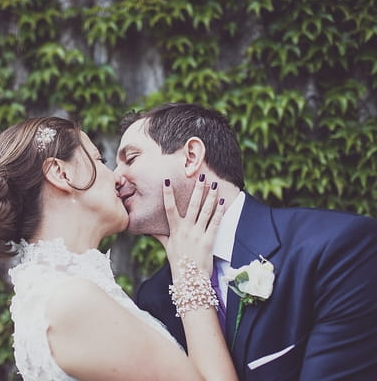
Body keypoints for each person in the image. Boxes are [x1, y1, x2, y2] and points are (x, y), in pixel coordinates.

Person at [0, 116, 238, 380]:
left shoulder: (61, 290)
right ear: (60, 173)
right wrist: (190, 276)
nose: (117, 178)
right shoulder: (71, 299)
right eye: (99, 159)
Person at [114, 102, 377, 380]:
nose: (115, 178)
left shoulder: (336, 247)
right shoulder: (153, 298)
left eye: (130, 159)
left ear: (191, 156)